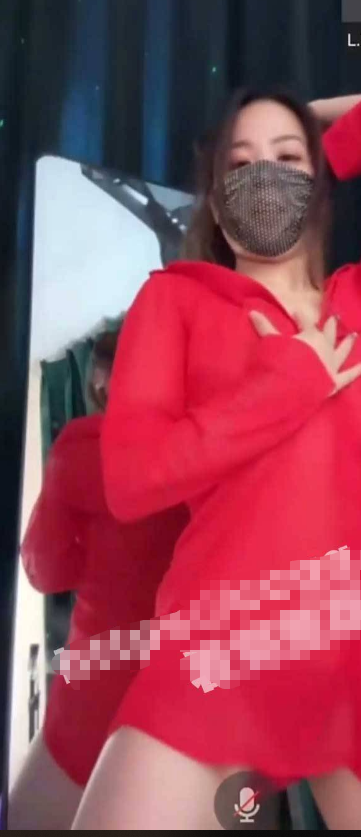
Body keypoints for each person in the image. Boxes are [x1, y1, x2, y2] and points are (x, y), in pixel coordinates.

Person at [72, 83, 361, 830]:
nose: (264, 174)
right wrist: (288, 385)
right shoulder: (174, 301)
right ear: (214, 194)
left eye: (286, 158)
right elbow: (132, 480)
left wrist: (314, 120)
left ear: (318, 182)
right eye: (240, 163)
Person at [8, 330, 189, 830]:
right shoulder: (206, 444)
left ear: (105, 381)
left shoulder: (85, 447)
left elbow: (47, 570)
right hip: (184, 694)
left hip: (97, 690)